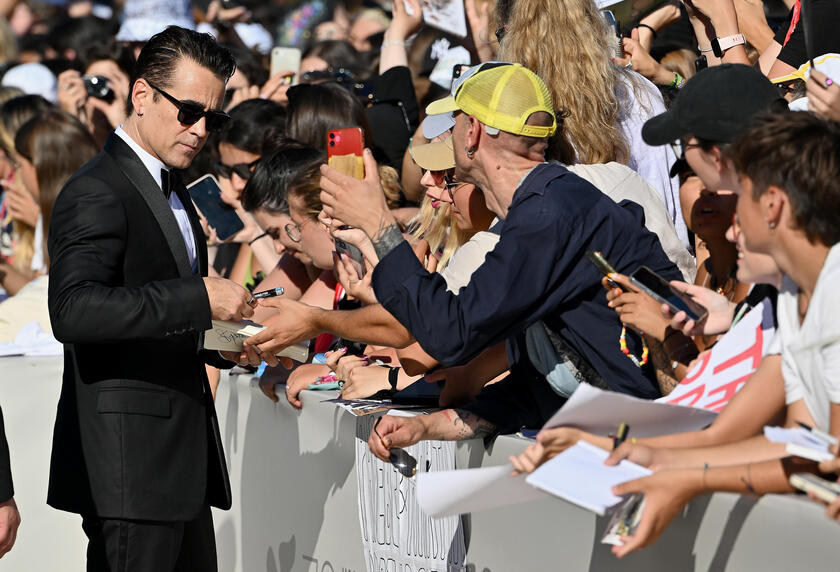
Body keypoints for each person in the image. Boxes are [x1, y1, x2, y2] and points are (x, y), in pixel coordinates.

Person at [302, 62, 681, 453]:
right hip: (636, 438)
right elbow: (537, 384)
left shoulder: (550, 214)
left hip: (665, 444)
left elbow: (450, 333)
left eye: (454, 123)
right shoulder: (540, 209)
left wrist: (379, 225)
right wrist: (428, 427)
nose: (446, 138)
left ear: (473, 133)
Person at [46, 26, 262, 572]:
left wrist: (244, 340)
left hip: (177, 465)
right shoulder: (98, 189)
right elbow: (73, 310)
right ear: (142, 96)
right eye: (188, 111)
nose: (200, 131)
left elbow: (174, 320)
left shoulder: (171, 185)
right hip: (129, 466)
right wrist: (198, 297)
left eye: (212, 118)